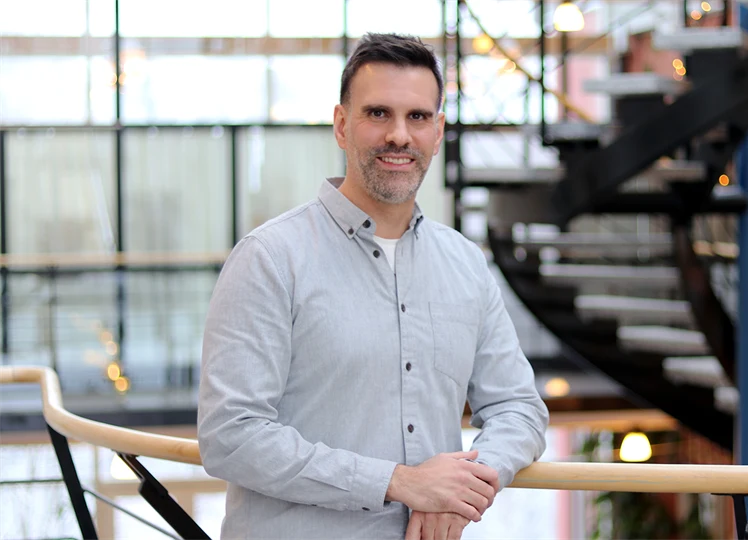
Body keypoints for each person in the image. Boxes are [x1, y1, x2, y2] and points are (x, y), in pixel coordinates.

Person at [197, 32, 549, 540]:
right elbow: (231, 434)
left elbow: (519, 408)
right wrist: (399, 483)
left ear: (437, 131)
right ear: (342, 125)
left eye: (418, 117)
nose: (399, 136)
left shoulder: (466, 264)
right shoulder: (270, 258)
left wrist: (465, 487)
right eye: (378, 113)